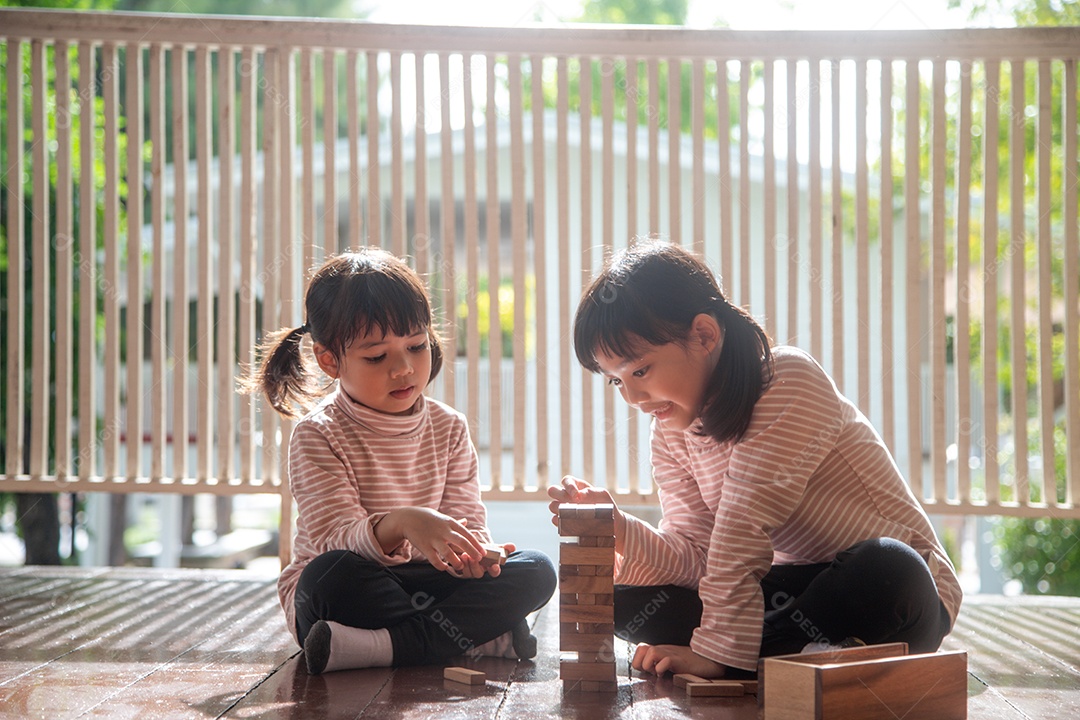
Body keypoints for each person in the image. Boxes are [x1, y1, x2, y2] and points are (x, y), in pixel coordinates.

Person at [548, 241, 961, 679]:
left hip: (890, 592)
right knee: (625, 598)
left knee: (886, 566)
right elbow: (698, 556)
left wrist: (715, 653)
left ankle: (738, 659)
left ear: (704, 335)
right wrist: (620, 530)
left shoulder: (786, 381)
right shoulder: (669, 432)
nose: (632, 397)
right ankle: (800, 654)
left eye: (641, 371)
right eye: (616, 381)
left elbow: (741, 529)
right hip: (787, 591)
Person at [247, 248, 555, 674]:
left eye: (415, 346)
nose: (405, 368)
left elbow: (467, 518)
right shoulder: (318, 434)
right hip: (356, 587)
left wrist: (473, 555)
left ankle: (375, 648)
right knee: (330, 578)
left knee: (536, 571)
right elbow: (334, 541)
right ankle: (479, 637)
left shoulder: (449, 428)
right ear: (329, 360)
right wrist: (402, 523)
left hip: (425, 582)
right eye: (377, 356)